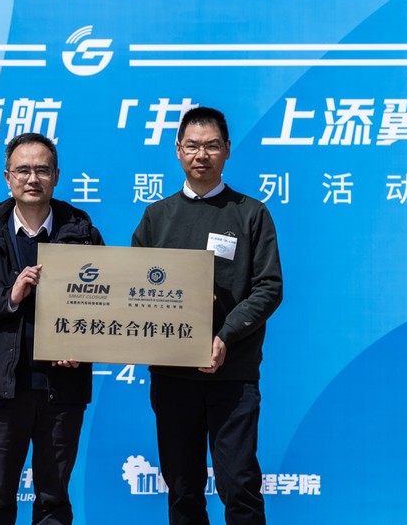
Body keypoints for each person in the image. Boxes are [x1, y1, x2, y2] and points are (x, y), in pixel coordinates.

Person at [0, 132, 104, 525]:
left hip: (62, 390)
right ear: (8, 177)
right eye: (23, 170)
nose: (33, 179)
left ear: (56, 176)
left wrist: (82, 345)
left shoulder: (83, 233)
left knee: (54, 502)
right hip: (2, 390)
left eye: (42, 170)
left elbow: (106, 304)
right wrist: (9, 297)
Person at [131, 107, 283, 524]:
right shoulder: (157, 217)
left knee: (240, 486)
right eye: (193, 146)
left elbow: (269, 287)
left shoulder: (250, 213)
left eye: (212, 146)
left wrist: (225, 335)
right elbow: (133, 288)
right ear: (178, 150)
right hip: (172, 376)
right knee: (182, 491)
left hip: (232, 374)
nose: (202, 155)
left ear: (227, 150)